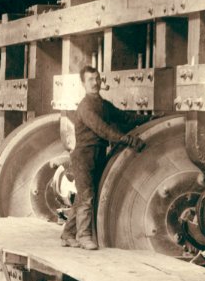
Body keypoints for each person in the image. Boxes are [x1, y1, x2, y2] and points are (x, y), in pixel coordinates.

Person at [60, 66, 150, 250]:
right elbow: (102, 129)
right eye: (90, 80)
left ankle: (68, 234)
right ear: (83, 84)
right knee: (86, 197)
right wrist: (128, 140)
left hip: (97, 154)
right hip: (83, 157)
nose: (95, 83)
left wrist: (149, 118)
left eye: (97, 79)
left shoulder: (103, 105)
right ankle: (84, 237)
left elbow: (124, 117)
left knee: (83, 198)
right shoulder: (85, 107)